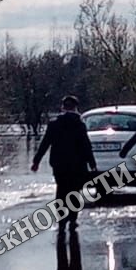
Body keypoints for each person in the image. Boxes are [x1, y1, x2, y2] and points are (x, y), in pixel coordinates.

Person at [31, 95, 96, 229]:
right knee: (75, 191)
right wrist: (92, 162)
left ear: (62, 107)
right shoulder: (79, 125)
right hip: (77, 164)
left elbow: (45, 143)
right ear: (75, 107)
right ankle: (72, 219)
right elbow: (86, 145)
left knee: (61, 189)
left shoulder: (54, 124)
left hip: (59, 163)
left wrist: (36, 161)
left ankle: (61, 218)